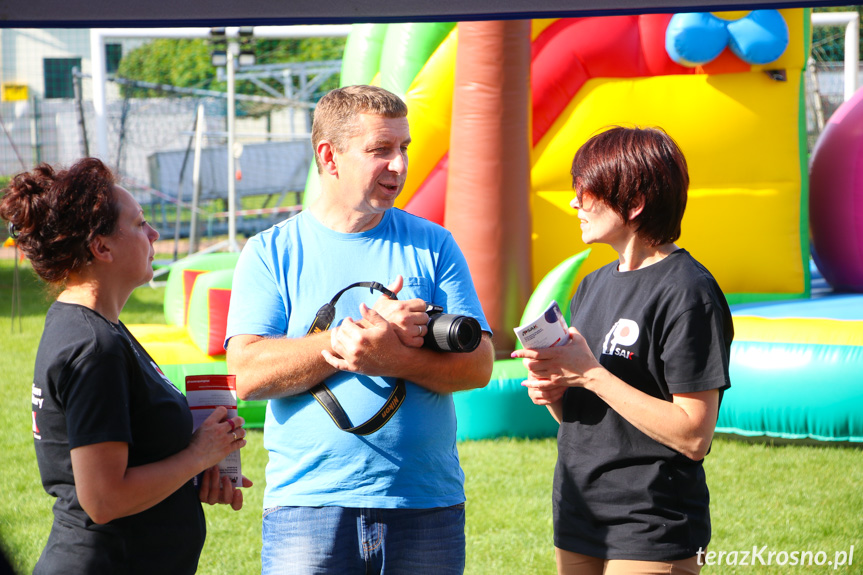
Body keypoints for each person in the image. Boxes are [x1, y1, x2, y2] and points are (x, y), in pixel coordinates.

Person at [225, 84, 494, 575]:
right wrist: (346, 338)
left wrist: (392, 358)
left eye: (404, 148)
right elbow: (246, 374)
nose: (399, 164)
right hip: (308, 505)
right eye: (380, 150)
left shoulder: (435, 245)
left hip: (424, 503)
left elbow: (479, 365)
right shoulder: (270, 252)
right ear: (329, 157)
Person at [0, 158, 252, 575]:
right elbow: (103, 499)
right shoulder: (93, 346)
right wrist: (196, 454)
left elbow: (134, 451)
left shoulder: (96, 327)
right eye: (139, 224)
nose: (154, 234)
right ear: (102, 247)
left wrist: (197, 467)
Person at [512, 126, 733, 575]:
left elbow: (694, 436)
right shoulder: (592, 287)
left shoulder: (689, 292)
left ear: (634, 204)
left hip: (652, 526)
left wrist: (590, 373)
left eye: (586, 191)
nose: (575, 202)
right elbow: (593, 420)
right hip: (577, 517)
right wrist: (559, 392)